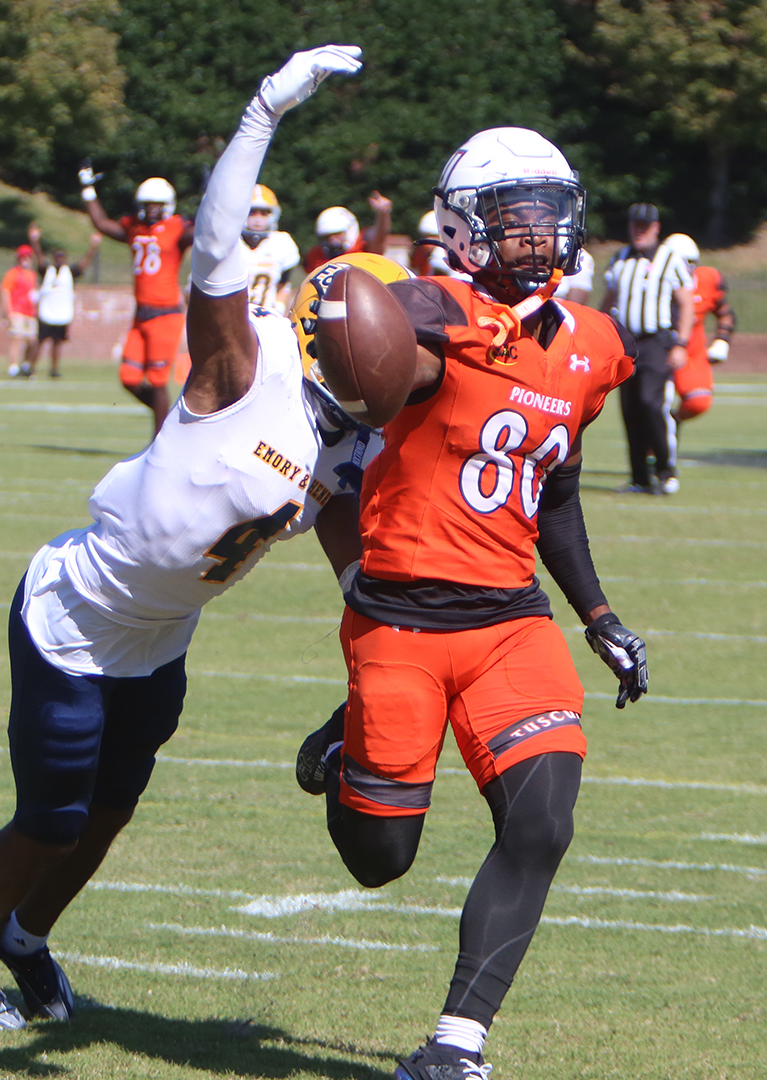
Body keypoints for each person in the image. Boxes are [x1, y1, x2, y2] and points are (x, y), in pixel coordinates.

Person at [0, 45, 377, 1031]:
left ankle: (26, 937)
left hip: (162, 641)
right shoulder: (246, 372)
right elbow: (214, 245)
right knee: (51, 818)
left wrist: (378, 656)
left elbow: (359, 567)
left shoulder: (352, 445)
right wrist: (263, 110)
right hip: (75, 623)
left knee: (114, 809)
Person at [293, 125, 649, 1080]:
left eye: (547, 214)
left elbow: (557, 490)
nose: (534, 234)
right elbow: (367, 306)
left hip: (509, 622)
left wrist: (600, 617)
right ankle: (349, 739)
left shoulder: (592, 345)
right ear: (463, 228)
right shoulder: (435, 307)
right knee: (380, 860)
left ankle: (456, 1045)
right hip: (400, 622)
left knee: (542, 822)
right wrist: (367, 312)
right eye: (511, 216)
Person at [84, 173, 194, 434]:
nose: (151, 209)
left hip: (166, 315)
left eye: (156, 204)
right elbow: (101, 223)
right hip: (140, 316)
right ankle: (169, 422)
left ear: (167, 204)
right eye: (147, 204)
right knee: (129, 378)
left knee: (157, 382)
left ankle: (160, 440)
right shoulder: (133, 227)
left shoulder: (177, 228)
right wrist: (87, 188)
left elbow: (204, 227)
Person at [600, 202, 692, 494]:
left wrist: (681, 343)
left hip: (656, 341)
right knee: (630, 408)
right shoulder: (620, 258)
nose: (638, 231)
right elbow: (609, 299)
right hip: (626, 341)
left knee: (651, 403)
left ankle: (666, 469)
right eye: (634, 226)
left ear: (655, 228)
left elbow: (686, 303)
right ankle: (639, 477)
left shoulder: (670, 259)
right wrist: (600, 332)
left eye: (644, 226)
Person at [662, 232, 732, 426]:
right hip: (658, 347)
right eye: (685, 262)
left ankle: (673, 424)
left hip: (691, 349)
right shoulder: (652, 280)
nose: (689, 268)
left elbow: (725, 313)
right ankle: (656, 439)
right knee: (653, 406)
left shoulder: (707, 279)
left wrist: (722, 340)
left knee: (698, 401)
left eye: (693, 262)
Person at [33, 225, 97, 380]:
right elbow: (39, 257)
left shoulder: (70, 272)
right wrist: (34, 241)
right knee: (39, 341)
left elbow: (84, 263)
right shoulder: (47, 270)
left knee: (57, 343)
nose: (60, 259)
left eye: (62, 257)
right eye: (58, 257)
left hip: (62, 312)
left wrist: (93, 247)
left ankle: (54, 369)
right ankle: (31, 367)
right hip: (46, 311)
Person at [242, 183, 301, 311]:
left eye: (263, 214)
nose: (258, 220)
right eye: (252, 213)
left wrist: (279, 308)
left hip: (266, 316)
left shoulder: (282, 243)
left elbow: (284, 285)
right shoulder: (232, 243)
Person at [301, 191, 391, 273]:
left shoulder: (364, 247)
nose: (332, 240)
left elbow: (379, 236)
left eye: (337, 234)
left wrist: (383, 215)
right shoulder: (316, 256)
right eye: (326, 237)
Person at [1, 243, 39, 377]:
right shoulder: (12, 274)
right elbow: (6, 293)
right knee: (17, 338)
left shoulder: (32, 275)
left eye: (28, 257)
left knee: (33, 340)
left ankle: (26, 365)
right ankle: (13, 367)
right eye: (23, 257)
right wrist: (8, 312)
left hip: (30, 312)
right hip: (17, 310)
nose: (26, 260)